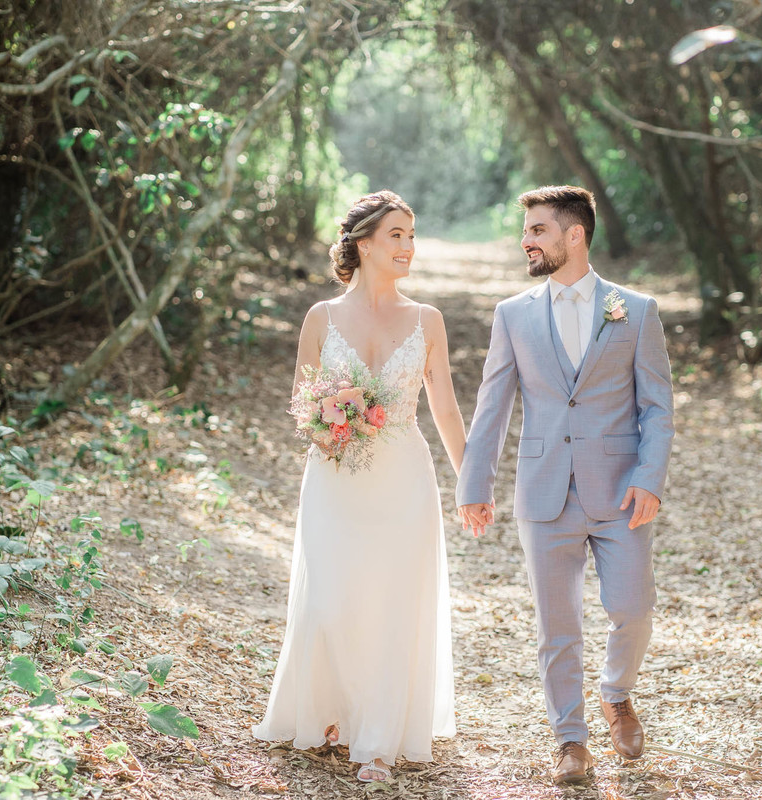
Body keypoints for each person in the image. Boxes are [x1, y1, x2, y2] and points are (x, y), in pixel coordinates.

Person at [457, 185, 674, 785]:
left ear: (574, 235)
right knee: (557, 627)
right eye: (526, 231)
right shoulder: (514, 315)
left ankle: (616, 692)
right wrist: (475, 485)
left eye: (537, 230)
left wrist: (650, 478)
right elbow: (492, 406)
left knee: (634, 609)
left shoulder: (637, 310)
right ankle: (571, 740)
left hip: (621, 491)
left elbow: (657, 406)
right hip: (544, 488)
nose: (526, 240)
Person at [253, 190, 467, 783]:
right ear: (364, 244)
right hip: (335, 475)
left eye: (411, 235)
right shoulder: (321, 317)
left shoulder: (428, 320)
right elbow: (303, 403)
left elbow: (445, 410)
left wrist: (470, 481)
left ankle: (376, 740)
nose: (408, 247)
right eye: (396, 235)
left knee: (394, 601)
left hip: (403, 476)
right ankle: (326, 712)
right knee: (331, 599)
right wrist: (326, 428)